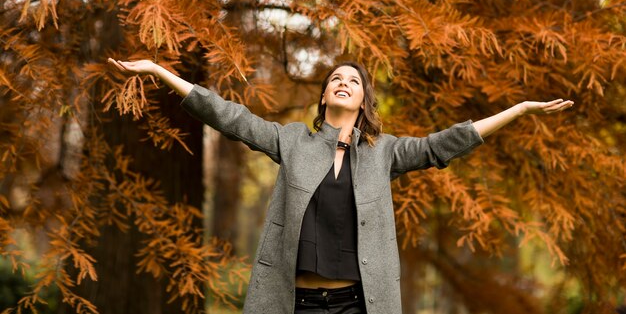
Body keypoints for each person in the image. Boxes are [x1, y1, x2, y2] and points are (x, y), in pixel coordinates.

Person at [108, 58, 574, 314]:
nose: (343, 82)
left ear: (364, 98)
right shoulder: (291, 141)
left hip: (358, 305)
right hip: (298, 302)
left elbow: (443, 145)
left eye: (353, 80)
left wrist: (519, 110)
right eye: (336, 78)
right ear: (325, 95)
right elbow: (230, 117)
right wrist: (157, 71)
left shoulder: (384, 151)